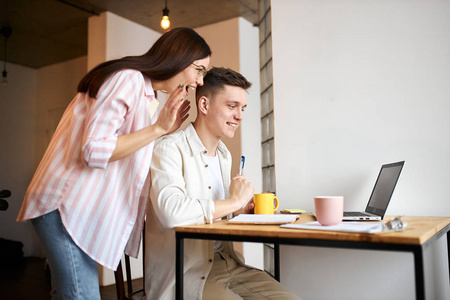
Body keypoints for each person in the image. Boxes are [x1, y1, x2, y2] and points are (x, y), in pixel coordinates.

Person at [16, 27, 211, 299]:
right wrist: (157, 130)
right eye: (199, 70)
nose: (201, 81)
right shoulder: (128, 80)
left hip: (75, 208)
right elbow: (94, 150)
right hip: (63, 205)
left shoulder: (148, 97)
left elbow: (127, 154)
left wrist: (162, 129)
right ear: (178, 59)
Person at [145, 67, 300, 300]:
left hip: (230, 263)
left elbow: (215, 215)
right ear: (205, 105)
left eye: (242, 108)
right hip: (187, 272)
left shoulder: (224, 155)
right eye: (232, 106)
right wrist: (233, 201)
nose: (240, 116)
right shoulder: (169, 148)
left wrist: (238, 210)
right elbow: (172, 213)